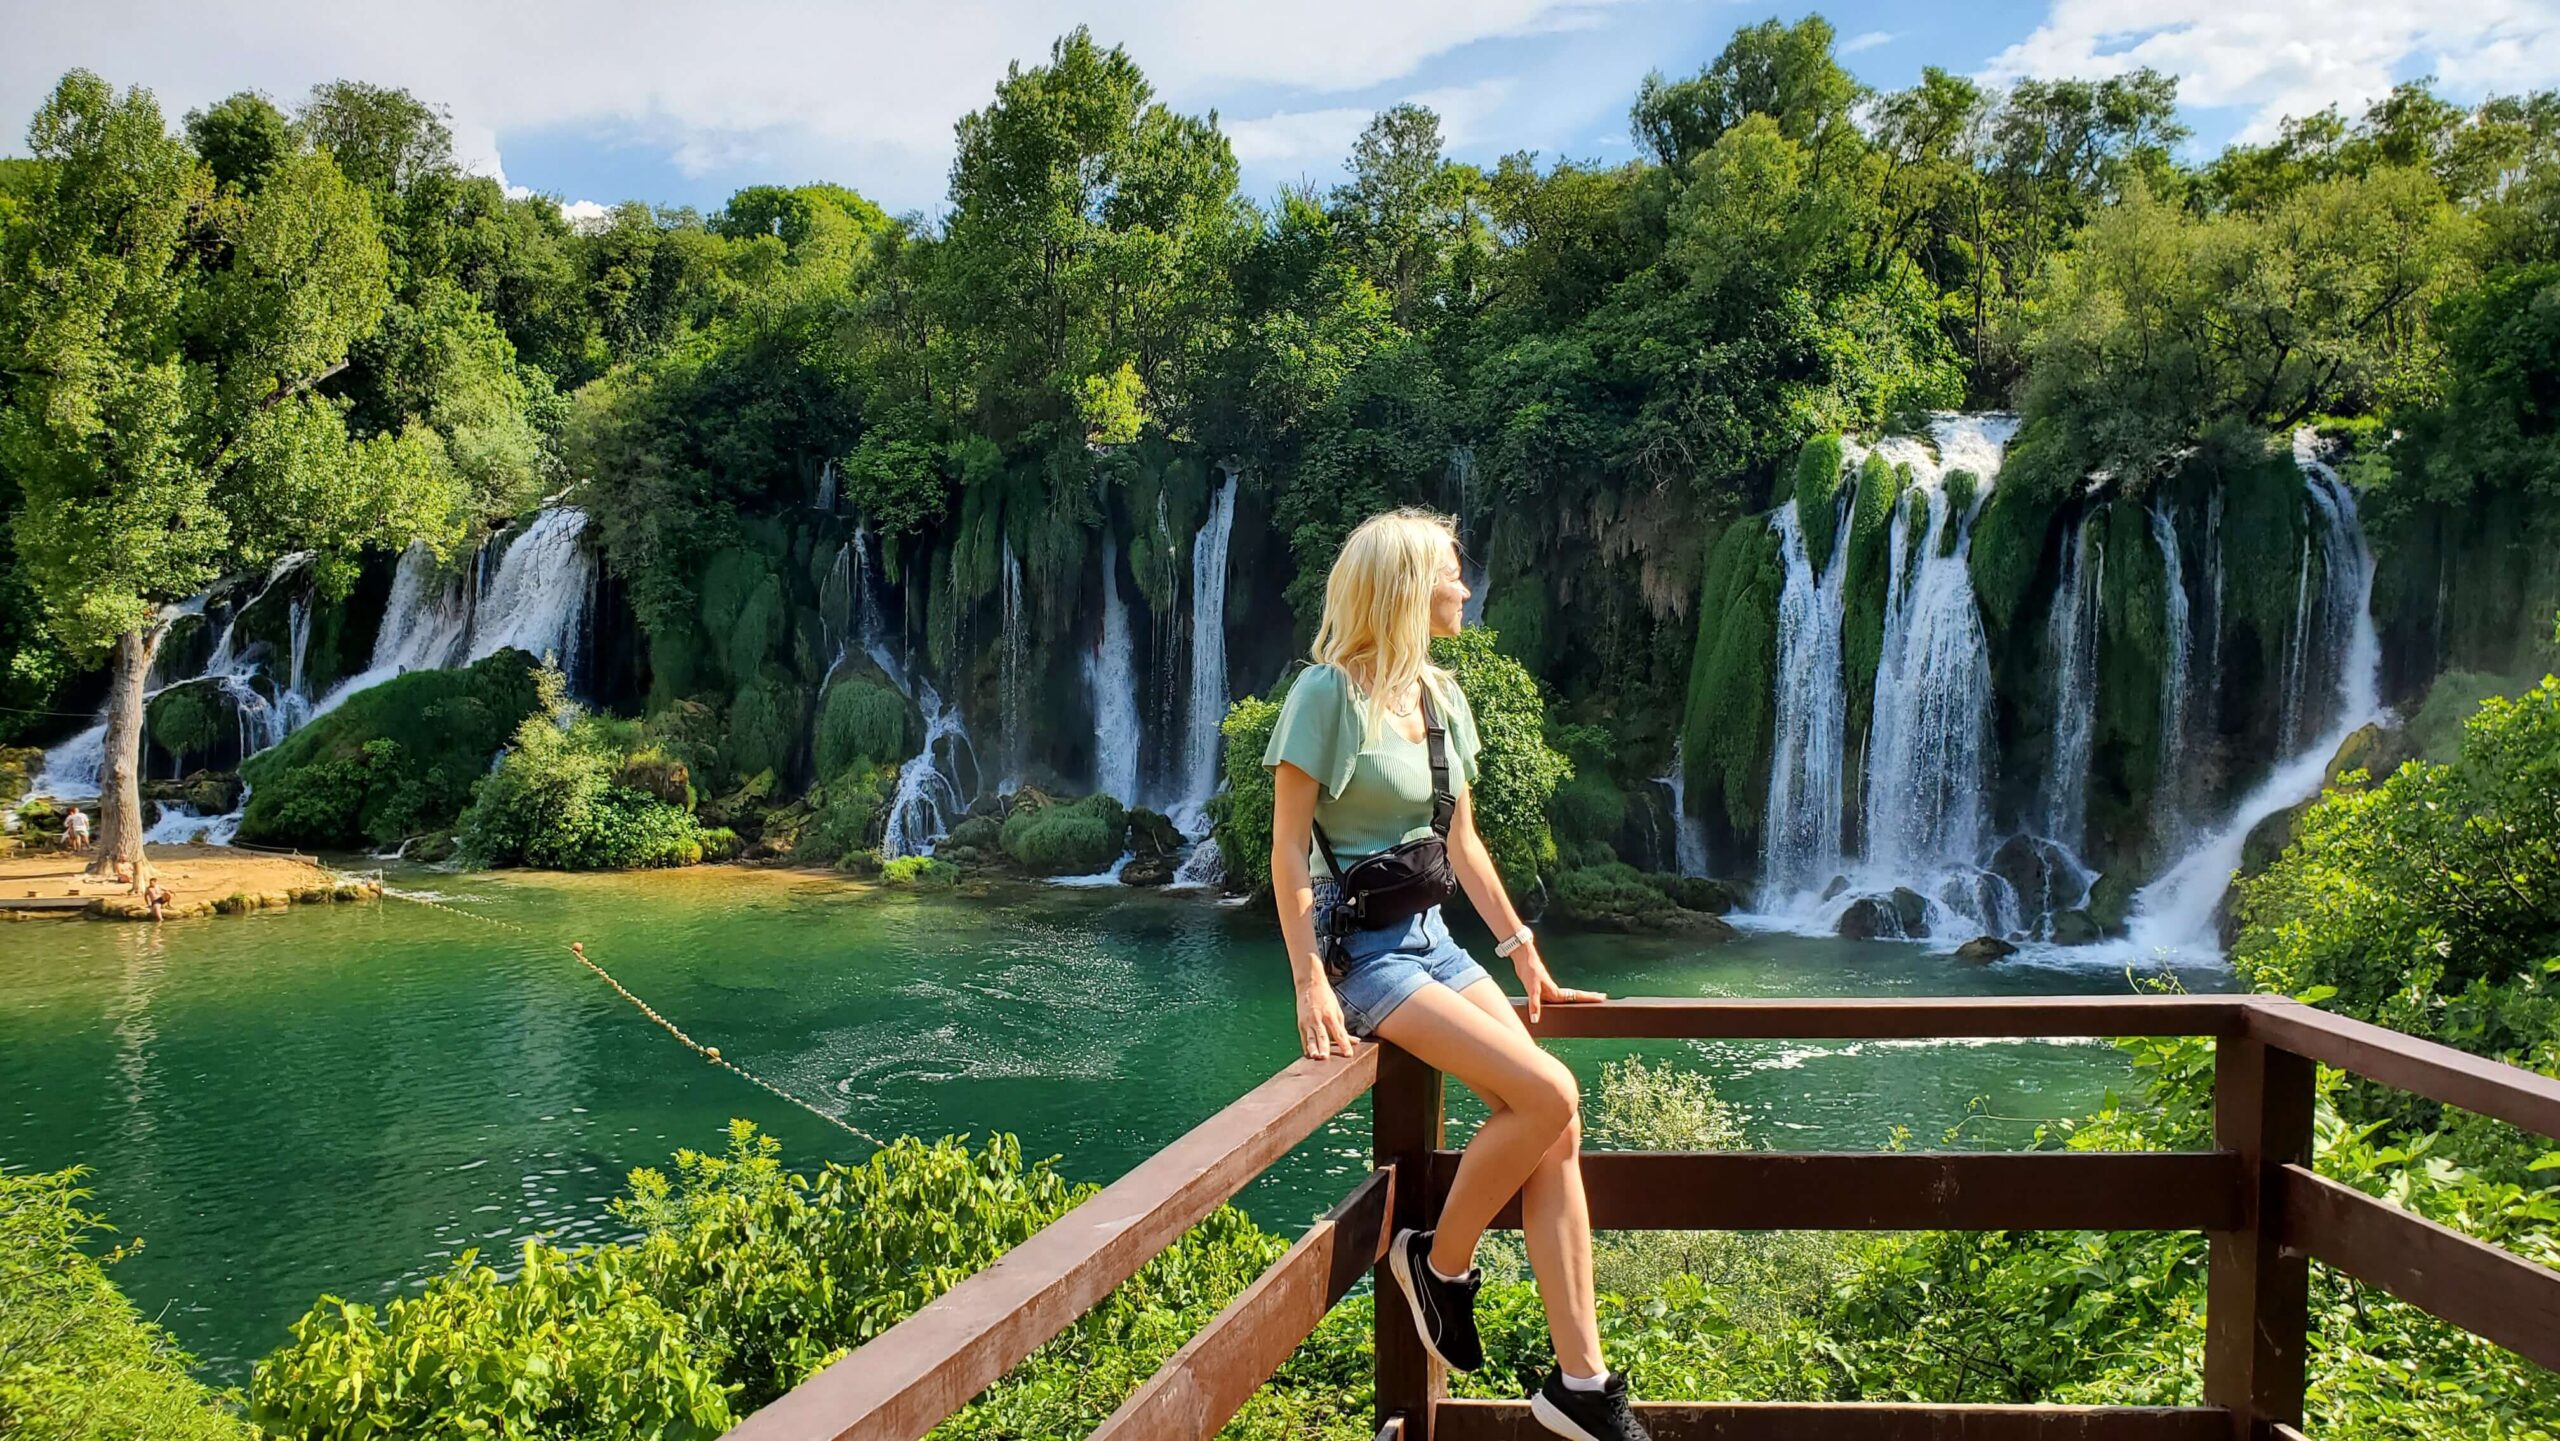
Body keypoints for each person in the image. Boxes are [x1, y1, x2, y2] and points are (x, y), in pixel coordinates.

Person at [1264, 509, 1650, 1441]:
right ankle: (1438, 1263)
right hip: (1365, 958)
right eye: (1450, 573)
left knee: (1557, 1121)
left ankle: (1581, 1384)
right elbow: (1283, 852)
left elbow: (1463, 841)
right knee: (1548, 1090)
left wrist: (1523, 950)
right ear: (1404, 586)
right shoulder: (1324, 695)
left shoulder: (1439, 698)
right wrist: (1309, 980)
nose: (1465, 588)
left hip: (1436, 942)